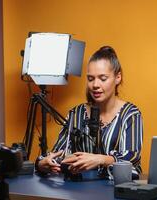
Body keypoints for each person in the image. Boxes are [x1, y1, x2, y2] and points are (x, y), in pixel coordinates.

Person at [36, 46, 143, 178]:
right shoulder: (76, 114)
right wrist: (42, 163)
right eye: (91, 79)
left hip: (118, 190)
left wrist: (101, 159)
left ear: (118, 77)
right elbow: (59, 153)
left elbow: (132, 157)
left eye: (103, 78)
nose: (95, 85)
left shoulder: (130, 114)